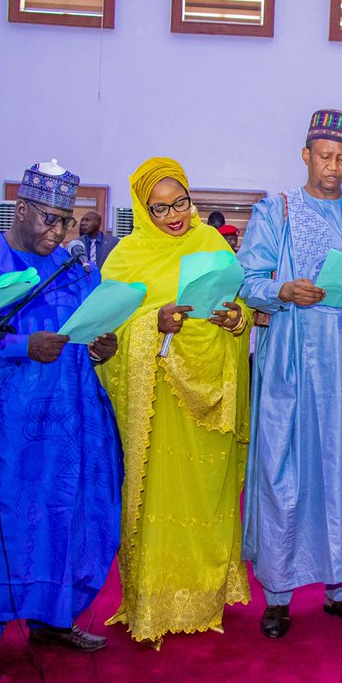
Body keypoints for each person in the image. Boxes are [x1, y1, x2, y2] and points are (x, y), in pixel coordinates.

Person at [0, 160, 122, 683]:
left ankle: (53, 617)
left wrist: (102, 346)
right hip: (5, 426)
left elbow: (88, 326)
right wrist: (22, 347)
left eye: (65, 221)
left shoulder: (73, 267)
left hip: (71, 418)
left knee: (69, 514)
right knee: (2, 522)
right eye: (49, 219)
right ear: (20, 209)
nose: (59, 233)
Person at [238, 108, 342, 639]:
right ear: (306, 154)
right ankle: (278, 596)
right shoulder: (276, 212)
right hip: (290, 364)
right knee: (283, 472)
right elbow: (247, 279)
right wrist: (283, 290)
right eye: (325, 156)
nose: (333, 167)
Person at [98, 158, 252, 646]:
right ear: (143, 211)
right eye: (160, 208)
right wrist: (153, 322)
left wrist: (237, 319)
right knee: (157, 498)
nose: (173, 216)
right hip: (157, 398)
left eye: (180, 202)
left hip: (211, 395)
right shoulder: (126, 256)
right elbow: (105, 329)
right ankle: (154, 603)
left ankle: (204, 599)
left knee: (208, 498)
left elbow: (240, 304)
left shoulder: (212, 243)